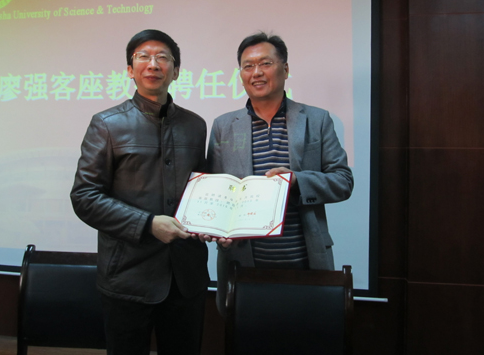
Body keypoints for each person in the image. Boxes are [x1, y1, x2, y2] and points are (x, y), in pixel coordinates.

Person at [70, 29, 209, 355]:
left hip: (186, 277)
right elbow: (85, 197)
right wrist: (147, 224)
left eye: (163, 57)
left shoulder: (195, 125)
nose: (153, 64)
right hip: (128, 277)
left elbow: (202, 190)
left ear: (176, 71)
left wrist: (216, 222)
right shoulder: (107, 124)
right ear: (130, 70)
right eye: (143, 57)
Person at [205, 32, 354, 316]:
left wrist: (298, 181)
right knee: (246, 334)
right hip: (243, 266)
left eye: (265, 63)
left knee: (307, 334)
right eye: (248, 66)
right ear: (241, 75)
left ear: (285, 69)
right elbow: (215, 190)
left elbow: (343, 181)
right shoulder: (223, 125)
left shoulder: (317, 119)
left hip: (305, 263)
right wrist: (216, 227)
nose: (256, 72)